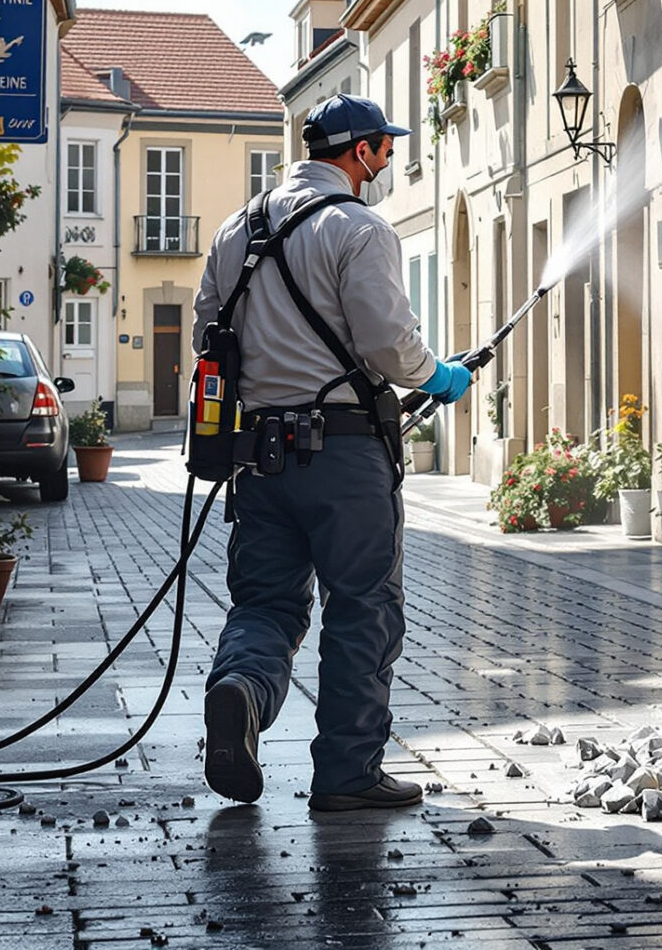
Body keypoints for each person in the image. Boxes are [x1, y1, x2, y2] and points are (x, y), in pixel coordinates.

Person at [192, 93, 472, 811]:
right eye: (384, 147)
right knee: (362, 606)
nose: (387, 161)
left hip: (257, 458)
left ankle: (242, 691)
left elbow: (207, 339)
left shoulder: (235, 230)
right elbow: (388, 343)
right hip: (344, 458)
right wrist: (440, 374)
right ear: (360, 152)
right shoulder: (360, 228)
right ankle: (347, 772)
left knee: (265, 602)